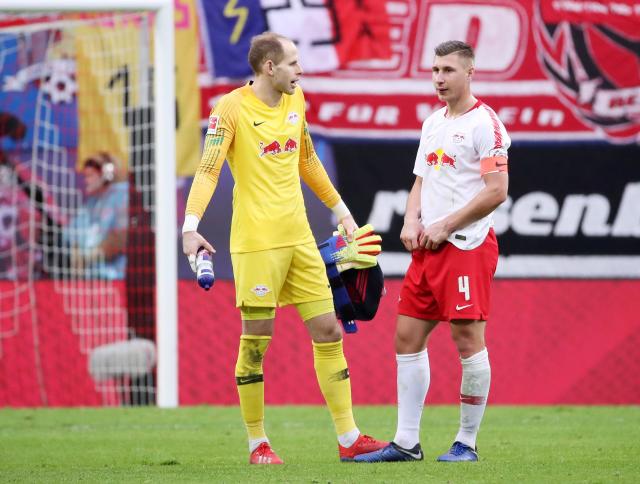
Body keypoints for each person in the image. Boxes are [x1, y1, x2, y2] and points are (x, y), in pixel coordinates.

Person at [181, 32, 386, 465]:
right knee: (257, 342)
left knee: (329, 331)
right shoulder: (230, 109)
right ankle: (258, 443)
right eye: (293, 62)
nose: (301, 70)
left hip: (301, 241)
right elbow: (208, 169)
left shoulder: (296, 100)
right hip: (257, 244)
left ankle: (348, 438)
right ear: (269, 67)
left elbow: (307, 160)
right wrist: (190, 227)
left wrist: (344, 214)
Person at [354, 40, 510, 463]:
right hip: (428, 248)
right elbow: (421, 181)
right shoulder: (433, 123)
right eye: (435, 70)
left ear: (470, 71)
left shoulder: (487, 125)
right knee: (406, 336)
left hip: (467, 246)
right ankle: (406, 443)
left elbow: (497, 191)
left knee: (467, 340)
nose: (439, 78)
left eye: (448, 70)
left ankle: (466, 442)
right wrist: (410, 220)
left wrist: (445, 224)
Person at [64, 152, 128, 279]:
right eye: (85, 176)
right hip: (91, 279)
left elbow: (121, 238)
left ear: (105, 175)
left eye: (91, 176)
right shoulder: (91, 203)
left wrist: (88, 257)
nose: (86, 180)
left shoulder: (122, 195)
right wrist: (75, 251)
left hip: (116, 278)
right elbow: (71, 234)